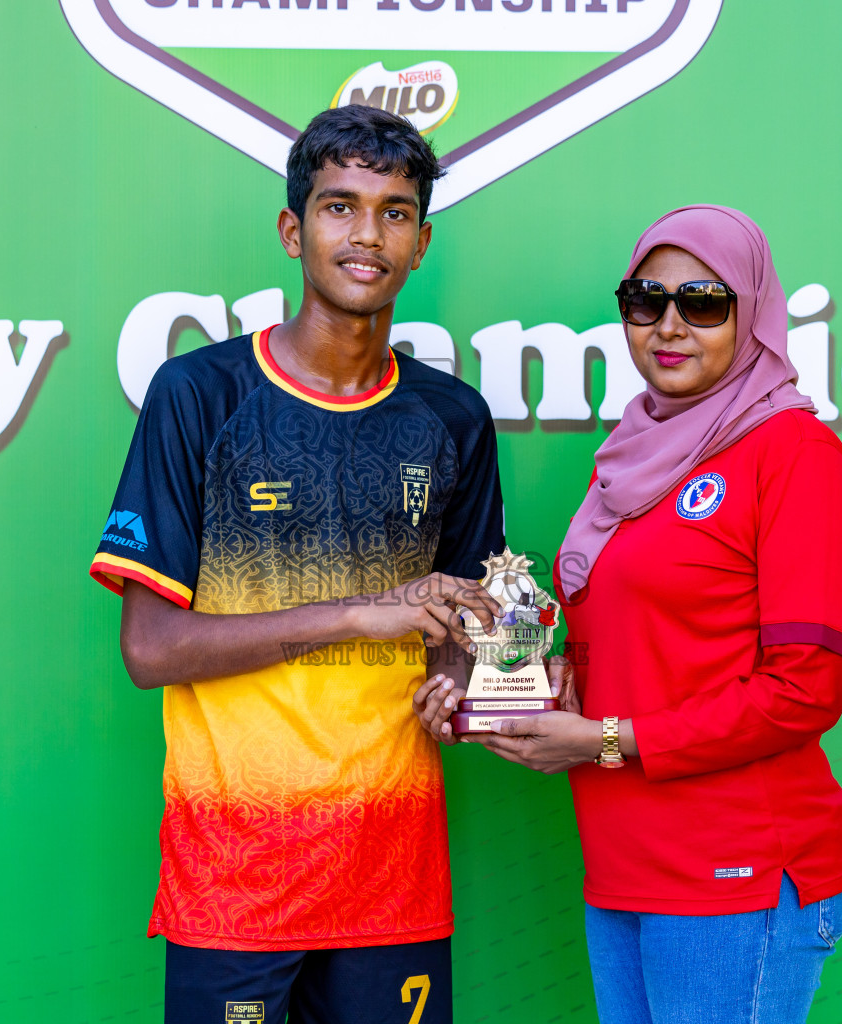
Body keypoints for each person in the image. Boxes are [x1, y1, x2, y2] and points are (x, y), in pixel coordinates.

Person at [89, 105, 505, 1024]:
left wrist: (458, 680)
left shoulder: (454, 419)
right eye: (339, 206)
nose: (368, 235)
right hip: (237, 883)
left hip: (391, 878)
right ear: (293, 229)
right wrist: (361, 614)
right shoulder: (200, 395)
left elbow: (468, 624)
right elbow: (150, 649)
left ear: (422, 242)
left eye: (395, 212)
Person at [417, 206, 842, 1024]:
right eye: (644, 300)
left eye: (703, 302)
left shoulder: (794, 456)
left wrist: (600, 741)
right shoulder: (636, 452)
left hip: (738, 871)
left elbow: (806, 691)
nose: (669, 326)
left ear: (753, 312)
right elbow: (647, 650)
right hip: (624, 863)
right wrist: (531, 698)